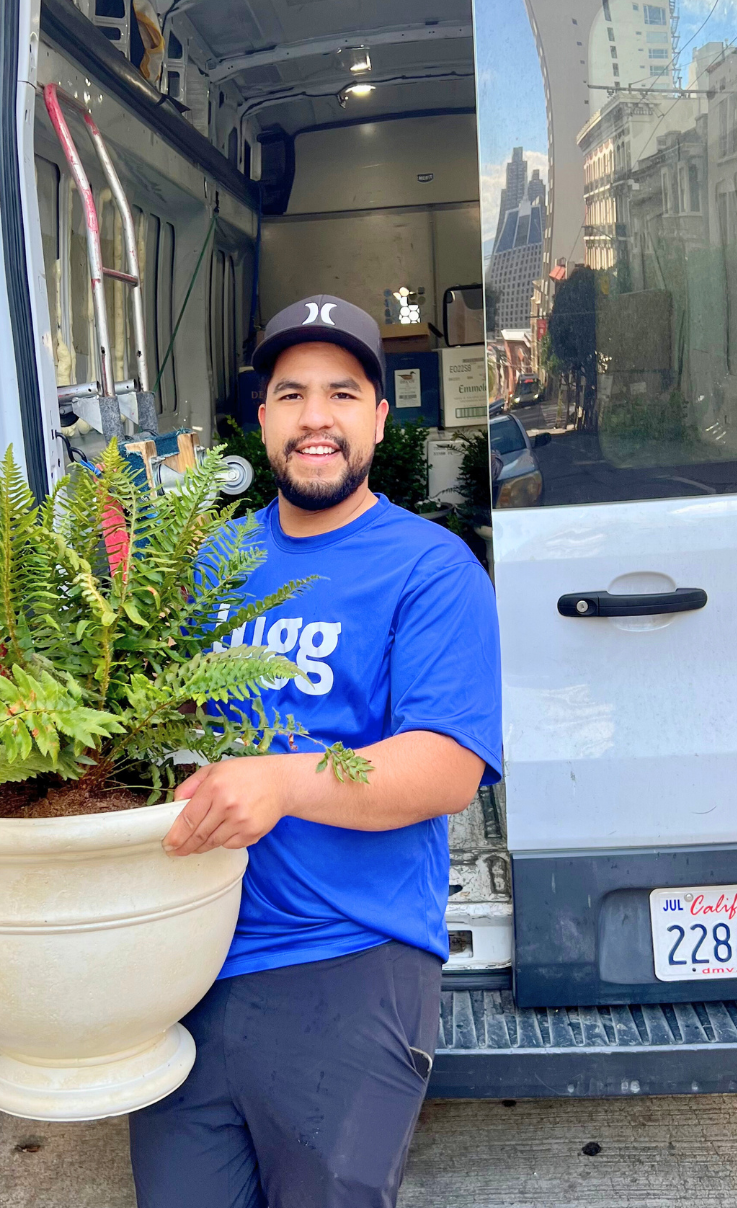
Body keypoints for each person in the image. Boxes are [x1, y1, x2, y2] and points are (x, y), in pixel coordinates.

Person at [129, 294, 502, 1208]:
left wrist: (284, 782)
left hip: (349, 958)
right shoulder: (210, 563)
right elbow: (146, 733)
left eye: (342, 392)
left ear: (379, 416)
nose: (316, 418)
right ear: (262, 421)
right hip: (187, 959)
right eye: (291, 394)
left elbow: (446, 768)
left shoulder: (430, 567)